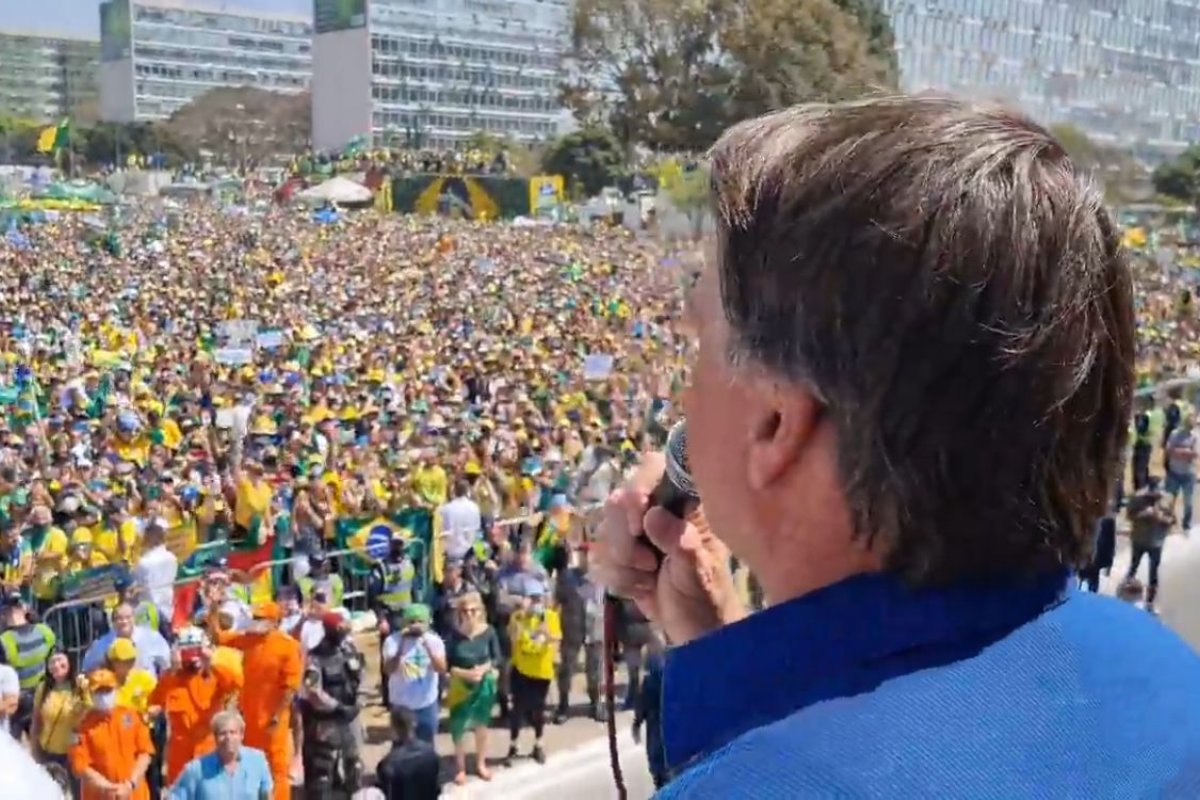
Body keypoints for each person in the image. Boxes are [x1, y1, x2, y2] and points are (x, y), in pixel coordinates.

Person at [593, 95, 1200, 797]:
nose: (683, 396)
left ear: (775, 425)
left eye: (698, 340)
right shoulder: (1162, 668)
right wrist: (713, 645)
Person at [211, 600, 302, 800]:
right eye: (255, 618)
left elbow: (290, 687)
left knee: (277, 768)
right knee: (250, 764)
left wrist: (278, 716)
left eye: (261, 619)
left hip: (273, 719)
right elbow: (219, 637)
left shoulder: (288, 647)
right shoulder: (249, 639)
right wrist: (213, 609)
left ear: (274, 622)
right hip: (249, 717)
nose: (256, 622)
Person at [149, 626, 244, 785]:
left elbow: (236, 684)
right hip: (180, 752)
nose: (193, 657)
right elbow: (154, 702)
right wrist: (172, 671)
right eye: (188, 651)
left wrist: (212, 663)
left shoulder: (215, 675)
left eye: (197, 650)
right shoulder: (172, 678)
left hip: (210, 747)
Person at [298, 611, 364, 798]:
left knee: (354, 764)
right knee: (322, 771)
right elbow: (313, 691)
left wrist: (358, 702)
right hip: (326, 720)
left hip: (350, 717)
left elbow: (359, 678)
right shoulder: (315, 657)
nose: (343, 634)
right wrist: (337, 707)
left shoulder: (349, 650)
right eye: (339, 630)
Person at [69, 669, 154, 800]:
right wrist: (107, 787)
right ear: (91, 694)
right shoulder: (81, 727)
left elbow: (145, 753)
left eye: (108, 690)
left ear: (116, 689)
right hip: (100, 795)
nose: (104, 696)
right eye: (99, 692)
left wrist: (130, 784)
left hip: (134, 794)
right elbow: (81, 766)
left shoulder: (132, 715)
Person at [504, 582, 560, 766]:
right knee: (517, 710)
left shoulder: (551, 617)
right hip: (521, 670)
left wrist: (547, 634)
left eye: (539, 598)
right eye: (532, 598)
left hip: (541, 673)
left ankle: (538, 745)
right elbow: (512, 641)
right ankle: (513, 745)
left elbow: (557, 640)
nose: (536, 602)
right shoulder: (517, 618)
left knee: (538, 711)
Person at [445, 591, 498, 785]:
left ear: (480, 611)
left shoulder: (489, 631)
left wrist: (482, 670)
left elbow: (496, 657)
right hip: (460, 686)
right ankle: (460, 768)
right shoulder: (454, 635)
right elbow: (448, 665)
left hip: (483, 684)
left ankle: (481, 763)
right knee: (458, 728)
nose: (469, 614)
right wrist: (466, 674)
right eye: (465, 611)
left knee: (481, 726)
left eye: (473, 610)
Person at [552, 543, 604, 723]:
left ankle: (596, 704)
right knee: (566, 669)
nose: (585, 558)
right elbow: (556, 602)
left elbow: (612, 603)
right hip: (571, 629)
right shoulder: (567, 577)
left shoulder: (603, 577)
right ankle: (563, 705)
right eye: (582, 554)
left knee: (595, 670)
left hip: (595, 629)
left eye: (589, 554)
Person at [171, 709, 274, 799]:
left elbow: (267, 795)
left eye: (233, 732)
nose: (228, 738)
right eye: (222, 733)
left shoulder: (257, 761)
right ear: (215, 737)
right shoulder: (196, 769)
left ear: (241, 735)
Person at [381, 603, 446, 744]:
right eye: (411, 622)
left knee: (427, 746)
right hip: (401, 705)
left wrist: (427, 646)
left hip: (426, 704)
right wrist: (401, 646)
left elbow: (441, 669)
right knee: (401, 746)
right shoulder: (392, 641)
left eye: (420, 621)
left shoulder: (434, 641)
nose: (415, 625)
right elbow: (388, 670)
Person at [370, 531, 416, 707]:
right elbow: (373, 597)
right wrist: (381, 619)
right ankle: (389, 699)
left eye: (400, 544)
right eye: (395, 544)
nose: (398, 548)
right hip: (389, 616)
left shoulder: (409, 564)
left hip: (407, 615)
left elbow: (413, 590)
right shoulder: (380, 568)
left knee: (409, 654)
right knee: (389, 657)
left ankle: (407, 693)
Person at [0, 593, 57, 737]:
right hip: (41, 694)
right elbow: (55, 661)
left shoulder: (4, 640)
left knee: (12, 747)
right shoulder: (45, 631)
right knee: (40, 742)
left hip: (16, 701)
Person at [30, 651, 88, 792]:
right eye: (52, 662)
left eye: (60, 660)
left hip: (74, 753)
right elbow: (36, 721)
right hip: (49, 753)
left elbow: (88, 712)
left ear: (69, 662)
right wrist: (35, 751)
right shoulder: (43, 688)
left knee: (76, 793)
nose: (56, 665)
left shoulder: (81, 685)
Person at [1122, 476, 1175, 614]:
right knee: (1133, 566)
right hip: (1139, 540)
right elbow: (1129, 516)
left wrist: (1161, 518)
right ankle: (1125, 597)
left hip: (1156, 543)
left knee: (1153, 573)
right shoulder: (1138, 498)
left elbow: (1172, 520)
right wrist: (1143, 514)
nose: (1157, 495)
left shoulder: (1167, 499)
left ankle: (1150, 603)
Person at [81, 602, 170, 675]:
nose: (124, 622)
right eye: (119, 618)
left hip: (147, 688)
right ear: (113, 622)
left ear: (134, 619)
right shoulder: (102, 644)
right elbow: (87, 668)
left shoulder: (150, 637)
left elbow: (166, 662)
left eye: (128, 617)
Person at [375, 708, 441, 800]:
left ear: (393, 730)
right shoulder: (431, 754)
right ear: (414, 725)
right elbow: (436, 788)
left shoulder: (387, 765)